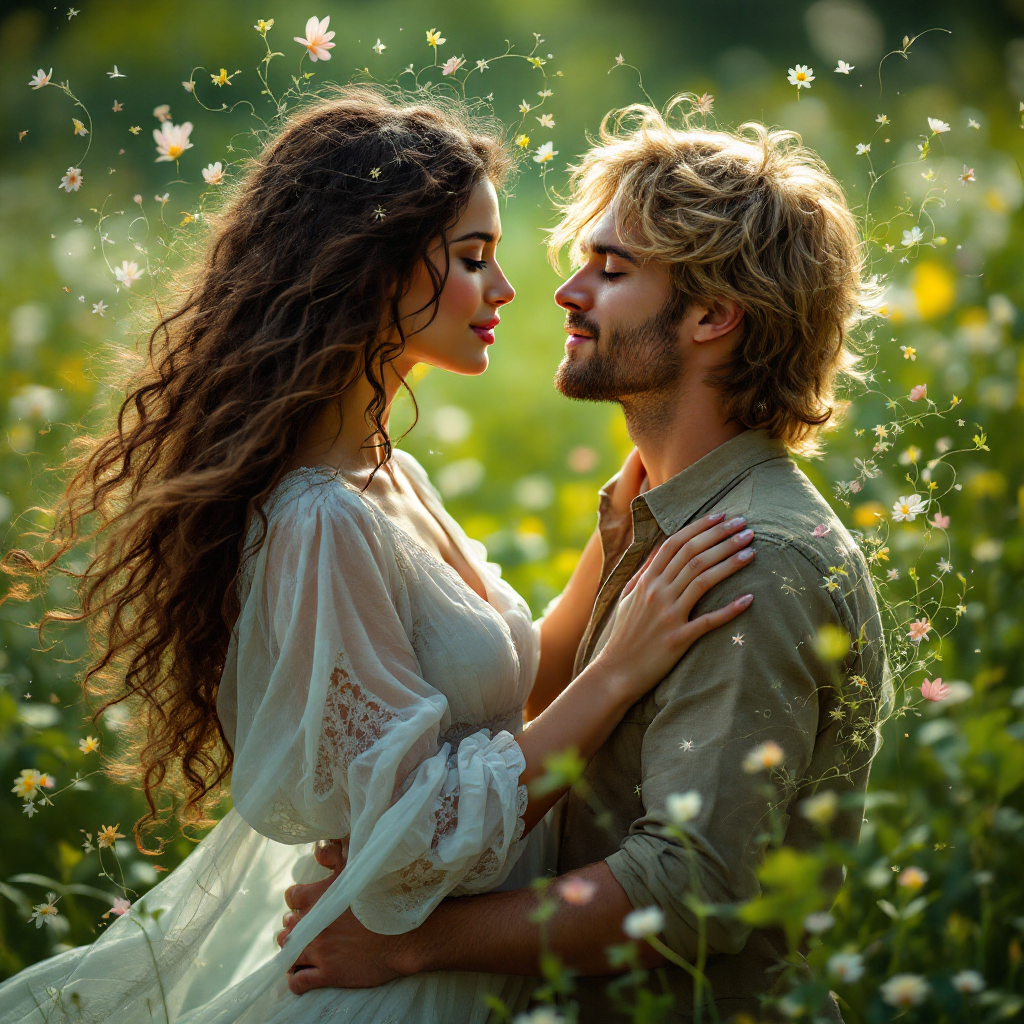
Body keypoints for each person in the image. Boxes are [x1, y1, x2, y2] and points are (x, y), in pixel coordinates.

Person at [0, 90, 756, 1024]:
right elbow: (416, 836)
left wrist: (626, 522)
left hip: (468, 972)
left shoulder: (380, 473)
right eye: (475, 259)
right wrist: (620, 671)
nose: (510, 290)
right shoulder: (320, 516)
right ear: (372, 267)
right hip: (396, 988)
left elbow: (505, 692)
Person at [276, 104, 889, 1022]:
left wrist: (413, 939)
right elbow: (524, 717)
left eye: (611, 269)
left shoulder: (752, 561)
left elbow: (688, 887)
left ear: (714, 314)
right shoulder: (656, 514)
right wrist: (388, 849)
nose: (565, 291)